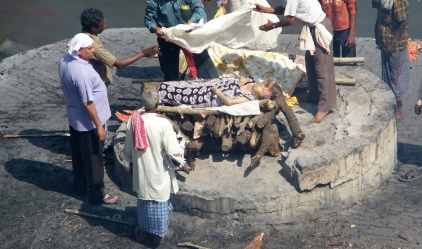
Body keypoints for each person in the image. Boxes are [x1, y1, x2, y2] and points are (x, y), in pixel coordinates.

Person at [255, 0, 337, 123]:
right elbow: (285, 9)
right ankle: (313, 95)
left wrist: (273, 26)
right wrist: (266, 9)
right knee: (311, 64)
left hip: (319, 28)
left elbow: (290, 20)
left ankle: (324, 106)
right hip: (312, 28)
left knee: (322, 70)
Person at [122, 88, 189, 247]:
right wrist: (182, 153)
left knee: (143, 201)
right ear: (158, 104)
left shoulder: (134, 121)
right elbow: (173, 151)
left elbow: (129, 149)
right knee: (158, 202)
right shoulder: (163, 124)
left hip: (141, 170)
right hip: (158, 172)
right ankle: (157, 237)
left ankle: (143, 232)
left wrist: (131, 164)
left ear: (143, 104)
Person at [58, 33, 118, 205]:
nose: (93, 51)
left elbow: (64, 86)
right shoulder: (82, 73)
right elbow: (88, 102)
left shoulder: (64, 61)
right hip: (88, 123)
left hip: (75, 117)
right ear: (79, 51)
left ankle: (80, 184)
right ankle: (97, 194)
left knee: (78, 154)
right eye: (89, 48)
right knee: (94, 159)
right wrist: (99, 126)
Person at [144, 0, 219, 81]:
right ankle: (172, 86)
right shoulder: (154, 0)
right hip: (168, 36)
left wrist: (192, 21)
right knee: (169, 69)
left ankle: (212, 82)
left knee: (201, 55)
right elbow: (148, 20)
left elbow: (199, 8)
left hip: (188, 32)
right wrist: (155, 28)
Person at [80, 8, 159, 86]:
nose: (105, 25)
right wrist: (143, 53)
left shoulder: (83, 37)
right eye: (102, 24)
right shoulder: (93, 45)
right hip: (96, 84)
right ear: (93, 28)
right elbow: (119, 64)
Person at [372, 0, 410, 121]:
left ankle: (399, 108)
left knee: (396, 76)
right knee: (387, 74)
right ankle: (390, 102)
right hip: (384, 41)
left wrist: (393, 43)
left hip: (395, 44)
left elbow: (403, 21)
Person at [158, 76, 273, 108]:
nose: (261, 85)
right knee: (179, 84)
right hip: (208, 84)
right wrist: (241, 79)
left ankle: (160, 97)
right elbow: (241, 76)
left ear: (257, 96)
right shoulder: (251, 82)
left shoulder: (248, 97)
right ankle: (162, 88)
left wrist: (217, 91)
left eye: (262, 89)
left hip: (210, 96)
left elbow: (229, 102)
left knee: (182, 94)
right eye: (263, 85)